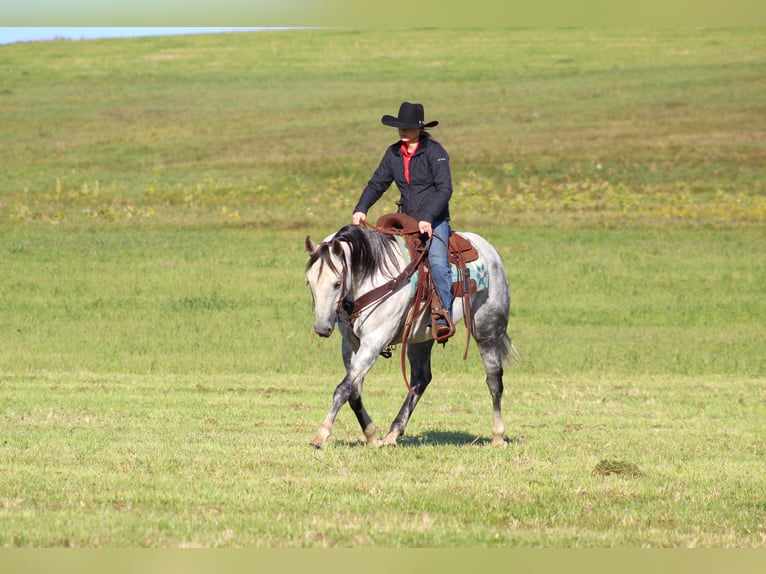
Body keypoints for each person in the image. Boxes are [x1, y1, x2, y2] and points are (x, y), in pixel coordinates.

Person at [352, 101, 455, 342]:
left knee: (438, 262)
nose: (403, 131)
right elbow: (378, 183)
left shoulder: (435, 152)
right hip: (404, 219)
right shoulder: (393, 153)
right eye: (401, 127)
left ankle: (444, 316)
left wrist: (428, 218)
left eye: (408, 128)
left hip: (434, 220)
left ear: (420, 128)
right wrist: (361, 208)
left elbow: (444, 189)